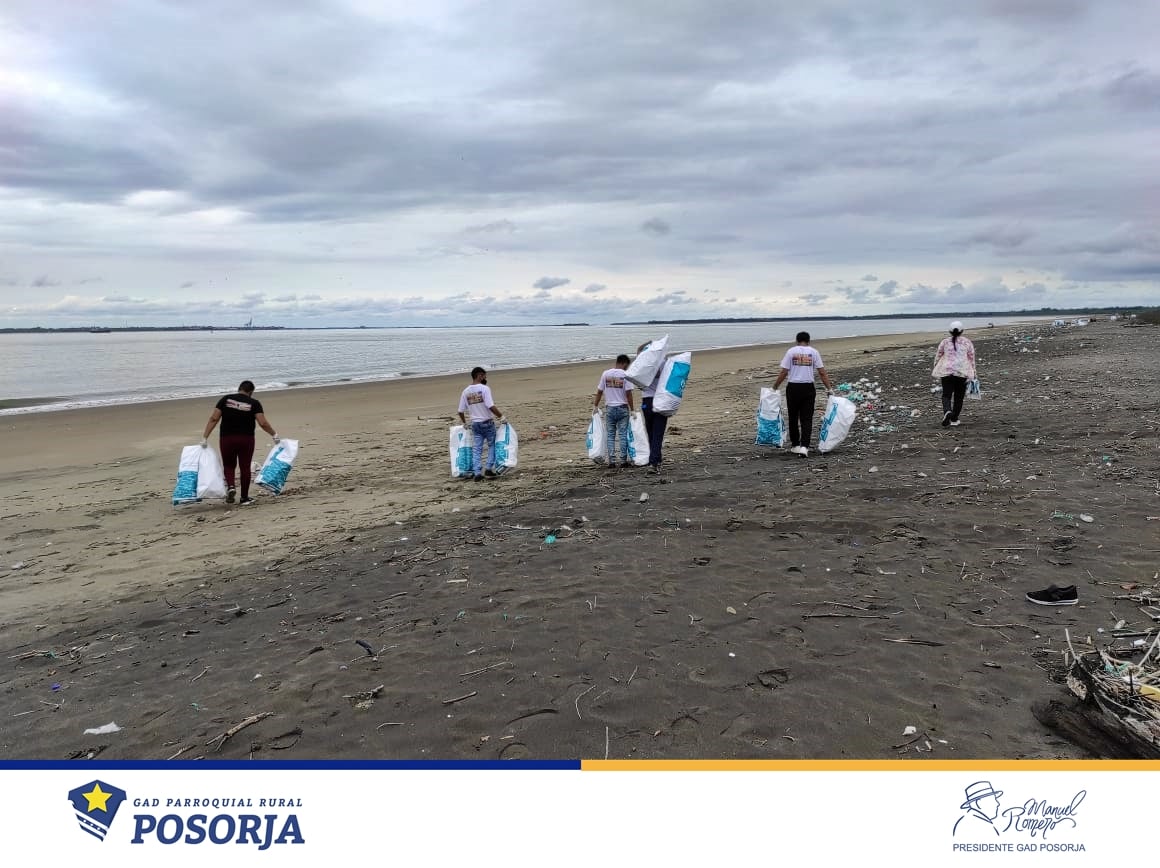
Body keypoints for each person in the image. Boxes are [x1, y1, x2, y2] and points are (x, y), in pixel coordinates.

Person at [202, 380, 278, 505]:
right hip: (246, 439)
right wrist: (274, 435)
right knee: (245, 467)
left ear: (239, 389)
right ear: (251, 392)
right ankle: (244, 498)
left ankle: (231, 486)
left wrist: (205, 437)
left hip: (227, 439)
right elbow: (263, 423)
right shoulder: (254, 403)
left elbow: (214, 418)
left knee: (228, 465)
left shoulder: (225, 399)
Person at [771, 332, 836, 457]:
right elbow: (822, 372)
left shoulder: (791, 352)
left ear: (797, 341)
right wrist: (829, 389)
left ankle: (795, 445)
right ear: (808, 341)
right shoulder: (814, 352)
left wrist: (775, 387)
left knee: (793, 417)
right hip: (808, 387)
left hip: (793, 387)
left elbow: (784, 372)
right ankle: (804, 447)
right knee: (807, 418)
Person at [457, 366, 505, 481]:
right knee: (492, 445)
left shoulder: (466, 391)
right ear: (479, 376)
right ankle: (488, 468)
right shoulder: (484, 389)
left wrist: (464, 423)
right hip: (487, 422)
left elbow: (460, 411)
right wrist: (501, 416)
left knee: (477, 449)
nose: (485, 378)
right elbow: (490, 405)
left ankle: (477, 472)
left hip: (475, 424)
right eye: (484, 376)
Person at [637, 342, 675, 474]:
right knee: (658, 432)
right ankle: (654, 461)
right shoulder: (663, 362)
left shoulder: (642, 364)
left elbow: (639, 384)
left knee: (651, 432)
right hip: (660, 399)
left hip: (646, 400)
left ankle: (655, 459)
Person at [592, 354, 635, 469]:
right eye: (627, 365)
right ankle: (623, 460)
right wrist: (632, 409)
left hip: (610, 408)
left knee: (610, 435)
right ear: (624, 363)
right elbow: (628, 394)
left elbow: (599, 391)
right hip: (622, 408)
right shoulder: (626, 375)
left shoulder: (606, 374)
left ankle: (612, 461)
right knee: (622, 434)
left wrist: (595, 405)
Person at [932, 321, 977, 428]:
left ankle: (947, 411)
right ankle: (954, 418)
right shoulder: (967, 342)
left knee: (946, 395)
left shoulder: (945, 342)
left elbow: (938, 355)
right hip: (962, 372)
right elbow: (971, 358)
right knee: (959, 397)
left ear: (950, 331)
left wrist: (936, 366)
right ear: (962, 331)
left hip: (947, 372)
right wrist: (974, 372)